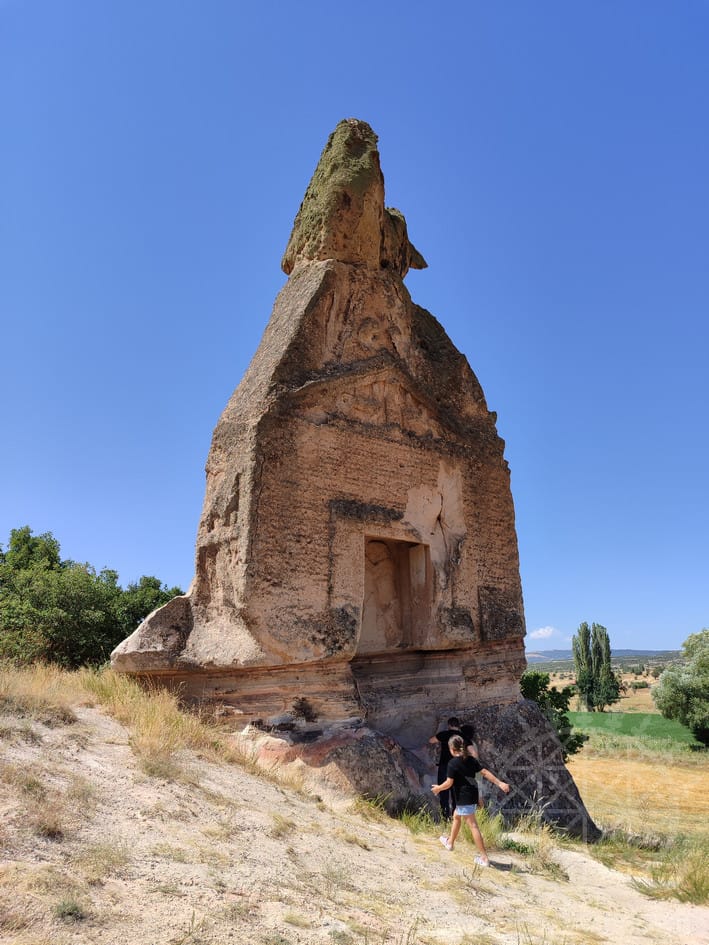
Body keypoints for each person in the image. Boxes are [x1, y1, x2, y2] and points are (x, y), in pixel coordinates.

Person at [431, 734, 510, 867]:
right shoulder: (471, 760)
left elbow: (449, 783)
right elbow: (484, 772)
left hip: (463, 798)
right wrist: (500, 783)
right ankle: (450, 843)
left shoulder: (452, 763)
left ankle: (484, 858)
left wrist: (438, 788)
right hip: (472, 795)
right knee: (456, 816)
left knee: (473, 826)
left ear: (452, 749)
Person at [429, 717, 462, 819]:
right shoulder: (462, 736)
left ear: (449, 725)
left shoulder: (444, 734)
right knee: (456, 794)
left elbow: (431, 740)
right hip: (458, 767)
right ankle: (456, 818)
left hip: (445, 766)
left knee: (444, 793)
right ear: (458, 725)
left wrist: (439, 733)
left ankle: (445, 817)